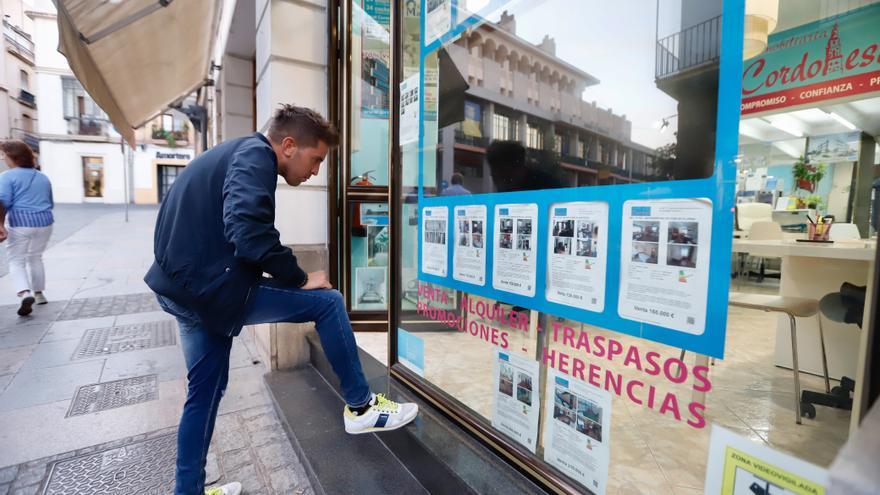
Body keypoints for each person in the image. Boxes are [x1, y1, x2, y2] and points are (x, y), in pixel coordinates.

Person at [144, 105, 419, 495]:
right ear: (289, 145)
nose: (315, 171)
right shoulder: (255, 156)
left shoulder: (231, 153)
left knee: (205, 391)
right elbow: (247, 231)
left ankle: (187, 491)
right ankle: (361, 408)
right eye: (316, 159)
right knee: (329, 301)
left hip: (184, 291)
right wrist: (300, 277)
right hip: (208, 290)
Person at [0, 140, 54, 316]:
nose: (3, 158)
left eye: (4, 155)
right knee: (36, 257)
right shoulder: (43, 177)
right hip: (45, 223)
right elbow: (50, 202)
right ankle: (39, 294)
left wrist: (0, 224)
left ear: (12, 157)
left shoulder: (7, 176)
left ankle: (24, 293)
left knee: (16, 260)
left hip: (20, 223)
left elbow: (3, 201)